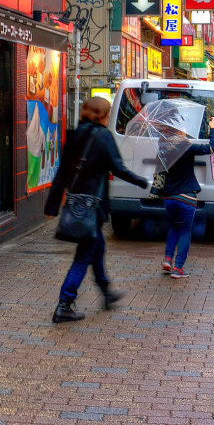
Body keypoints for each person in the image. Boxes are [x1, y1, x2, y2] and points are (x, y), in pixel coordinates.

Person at [45, 97, 149, 323]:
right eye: (109, 112)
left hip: (77, 204)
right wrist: (142, 182)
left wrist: (52, 206)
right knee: (83, 256)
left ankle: (107, 293)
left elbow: (62, 173)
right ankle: (64, 304)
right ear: (102, 115)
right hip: (92, 208)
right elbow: (118, 168)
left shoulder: (74, 135)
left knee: (97, 248)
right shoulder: (103, 136)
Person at [152, 115, 214, 279]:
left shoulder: (162, 147)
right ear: (179, 130)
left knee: (174, 227)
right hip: (186, 197)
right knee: (185, 232)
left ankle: (168, 259)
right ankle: (178, 269)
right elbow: (212, 148)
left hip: (169, 197)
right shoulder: (186, 146)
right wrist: (213, 128)